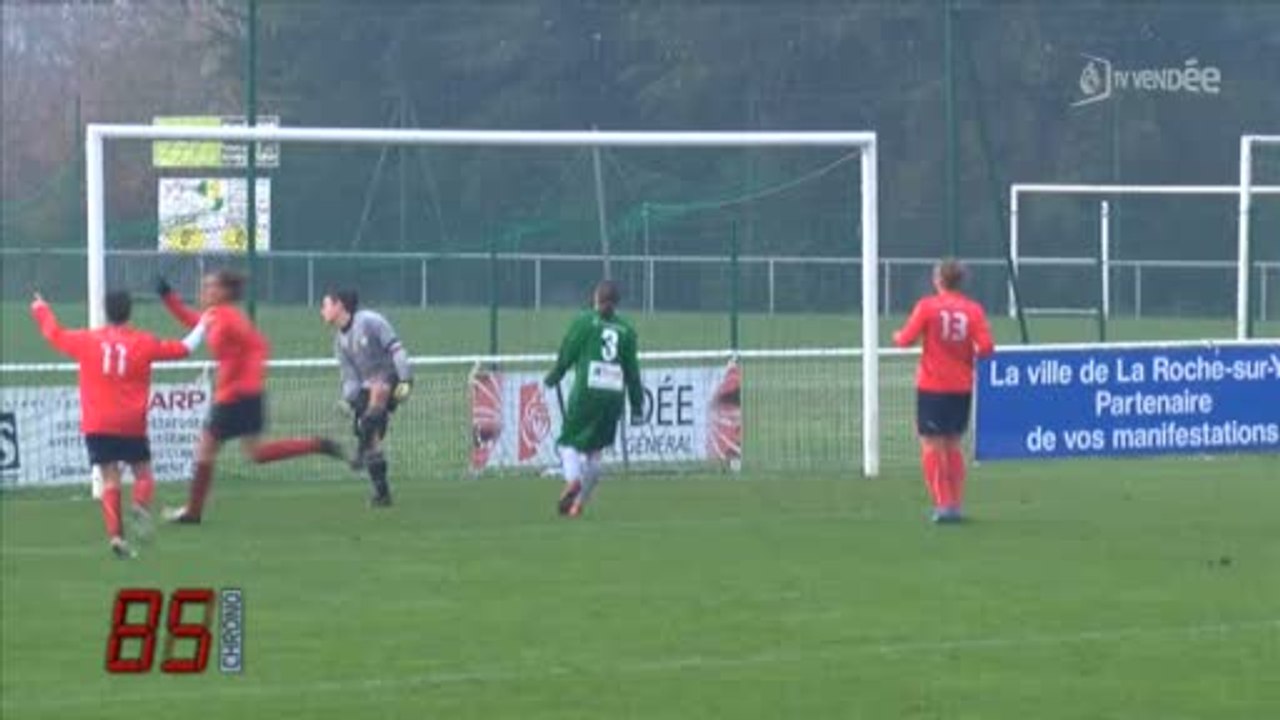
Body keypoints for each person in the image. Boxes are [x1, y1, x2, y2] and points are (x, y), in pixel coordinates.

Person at [31, 290, 208, 557]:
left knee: (110, 479)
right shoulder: (143, 342)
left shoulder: (87, 340)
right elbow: (185, 348)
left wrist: (41, 308)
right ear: (129, 311)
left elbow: (54, 334)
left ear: (106, 311)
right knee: (143, 474)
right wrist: (204, 324)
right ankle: (139, 503)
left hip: (97, 423)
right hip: (131, 423)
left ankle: (116, 537)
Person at [157, 271, 343, 524]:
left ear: (224, 292)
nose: (204, 290)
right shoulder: (214, 315)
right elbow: (193, 321)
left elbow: (259, 345)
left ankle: (193, 512)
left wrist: (242, 376)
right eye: (204, 286)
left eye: (210, 286)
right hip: (246, 396)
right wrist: (168, 297)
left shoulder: (230, 318)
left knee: (205, 449)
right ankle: (316, 445)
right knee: (256, 453)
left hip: (234, 397)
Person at [893, 259, 995, 523]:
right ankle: (955, 503)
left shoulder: (927, 307)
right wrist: (963, 354)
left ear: (938, 280)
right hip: (962, 386)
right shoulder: (973, 310)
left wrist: (897, 336)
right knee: (952, 444)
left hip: (933, 386)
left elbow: (905, 340)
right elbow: (986, 347)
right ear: (962, 281)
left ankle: (944, 505)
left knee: (931, 444)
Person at [544, 280, 644, 518]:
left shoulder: (585, 321)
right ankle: (578, 505)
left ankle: (573, 480)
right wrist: (637, 405)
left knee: (568, 442)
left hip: (587, 393)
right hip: (612, 397)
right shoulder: (627, 331)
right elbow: (632, 372)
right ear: (616, 303)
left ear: (596, 298)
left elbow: (568, 352)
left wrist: (554, 376)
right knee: (595, 453)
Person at [320, 289, 413, 507]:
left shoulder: (370, 321)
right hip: (368, 387)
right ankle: (382, 494)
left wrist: (406, 380)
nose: (321, 311)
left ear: (339, 305)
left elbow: (397, 350)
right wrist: (349, 400)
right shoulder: (339, 342)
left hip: (393, 378)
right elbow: (350, 378)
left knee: (378, 389)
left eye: (325, 305)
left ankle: (359, 454)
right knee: (367, 432)